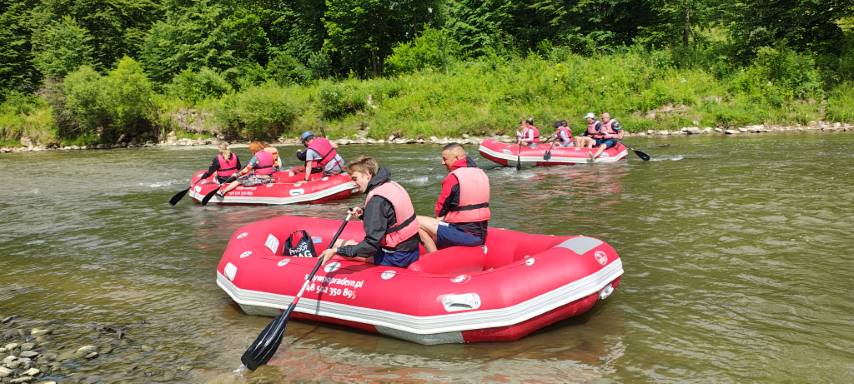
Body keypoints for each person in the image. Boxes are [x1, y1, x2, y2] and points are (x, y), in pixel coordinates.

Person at [319, 156, 420, 268]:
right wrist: (364, 214)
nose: (353, 183)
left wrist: (338, 251)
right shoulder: (389, 184)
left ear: (367, 174)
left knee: (338, 244)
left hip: (397, 258)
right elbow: (390, 217)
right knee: (345, 245)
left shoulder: (376, 200)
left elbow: (370, 246)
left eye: (354, 178)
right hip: (413, 251)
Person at [416, 143, 490, 253]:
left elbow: (440, 210)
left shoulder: (454, 177)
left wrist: (440, 219)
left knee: (414, 221)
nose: (442, 162)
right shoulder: (481, 173)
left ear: (457, 158)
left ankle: (434, 257)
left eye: (445, 159)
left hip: (464, 235)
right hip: (481, 233)